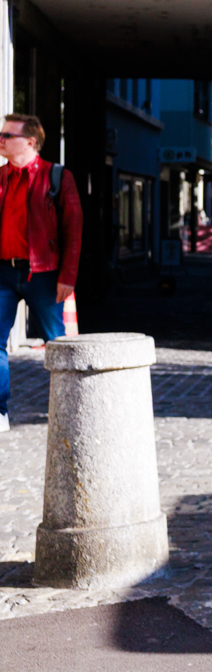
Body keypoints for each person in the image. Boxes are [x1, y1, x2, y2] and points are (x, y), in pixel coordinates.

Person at [0, 114, 82, 434]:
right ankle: (0, 412)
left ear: (30, 142)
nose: (1, 140)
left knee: (58, 344)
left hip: (44, 275)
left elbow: (73, 229)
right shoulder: (1, 177)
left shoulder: (56, 177)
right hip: (3, 273)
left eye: (8, 135)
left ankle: (71, 410)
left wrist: (68, 276)